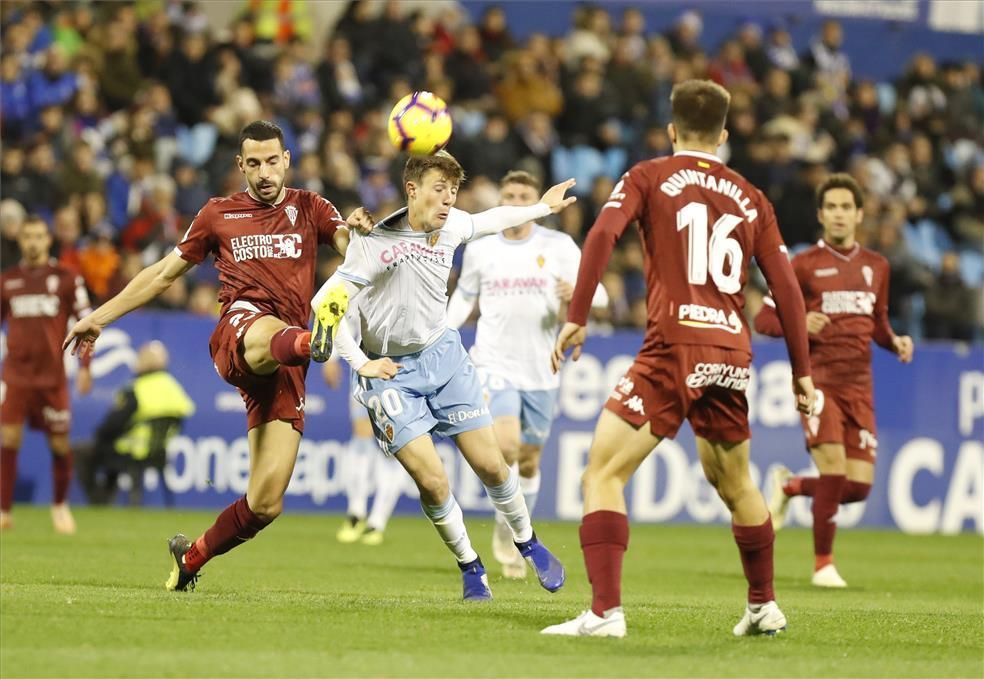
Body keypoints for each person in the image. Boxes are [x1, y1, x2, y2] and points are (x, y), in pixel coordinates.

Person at [544, 79, 816, 638]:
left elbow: (601, 234)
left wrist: (577, 314)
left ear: (671, 129)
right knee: (735, 482)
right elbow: (787, 290)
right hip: (732, 352)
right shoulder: (751, 196)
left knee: (601, 472)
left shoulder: (649, 176)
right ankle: (763, 604)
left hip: (674, 343)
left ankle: (604, 613)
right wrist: (803, 373)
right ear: (723, 133)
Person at [64, 120, 374, 592]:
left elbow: (353, 249)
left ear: (287, 160)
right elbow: (164, 274)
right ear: (240, 165)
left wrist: (362, 236)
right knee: (274, 328)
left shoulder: (311, 206)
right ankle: (318, 338)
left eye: (273, 161)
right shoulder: (217, 214)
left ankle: (190, 558)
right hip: (242, 334)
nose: (265, 172)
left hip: (286, 367)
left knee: (266, 503)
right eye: (254, 163)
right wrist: (100, 316)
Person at [309, 151, 576, 600]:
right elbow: (326, 306)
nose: (449, 200)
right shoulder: (371, 241)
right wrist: (361, 364)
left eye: (453, 191)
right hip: (390, 374)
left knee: (493, 464)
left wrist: (542, 208)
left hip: (444, 358)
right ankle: (471, 567)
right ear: (412, 190)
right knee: (433, 481)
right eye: (439, 189)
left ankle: (528, 543)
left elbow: (493, 218)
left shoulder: (451, 227)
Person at [446, 169, 609, 578]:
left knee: (531, 460)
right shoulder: (482, 249)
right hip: (493, 362)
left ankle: (508, 529)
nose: (516, 202)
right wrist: (444, 336)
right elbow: (465, 297)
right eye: (509, 195)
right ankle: (519, 535)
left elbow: (601, 296)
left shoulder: (558, 246)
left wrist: (580, 296)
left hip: (541, 368)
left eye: (524, 196)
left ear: (538, 203)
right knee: (507, 447)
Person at [756, 173, 914, 588]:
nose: (839, 214)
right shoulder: (802, 265)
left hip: (859, 386)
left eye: (847, 207)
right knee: (833, 471)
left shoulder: (877, 267)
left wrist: (894, 340)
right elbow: (764, 318)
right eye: (832, 207)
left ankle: (789, 486)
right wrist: (801, 322)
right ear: (821, 215)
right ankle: (823, 564)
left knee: (857, 488)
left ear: (859, 214)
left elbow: (876, 322)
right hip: (818, 382)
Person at [1, 215, 93, 533]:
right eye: (27, 237)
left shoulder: (67, 278)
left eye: (38, 236)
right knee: (9, 438)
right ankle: (3, 512)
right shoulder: (8, 280)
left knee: (58, 444)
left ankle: (59, 507)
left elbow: (87, 324)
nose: (33, 242)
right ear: (20, 241)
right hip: (15, 375)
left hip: (52, 377)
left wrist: (85, 368)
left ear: (48, 240)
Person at [324, 301, 405, 546]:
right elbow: (342, 317)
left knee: (392, 447)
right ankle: (356, 512)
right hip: (365, 369)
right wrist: (331, 357)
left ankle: (377, 521)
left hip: (401, 372)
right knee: (361, 437)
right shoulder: (360, 273)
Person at [77, 341, 195, 507]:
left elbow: (113, 425)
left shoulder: (137, 389)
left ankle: (99, 501)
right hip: (159, 451)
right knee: (107, 448)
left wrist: (100, 435)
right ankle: (105, 498)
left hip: (131, 449)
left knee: (82, 452)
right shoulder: (174, 387)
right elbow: (184, 412)